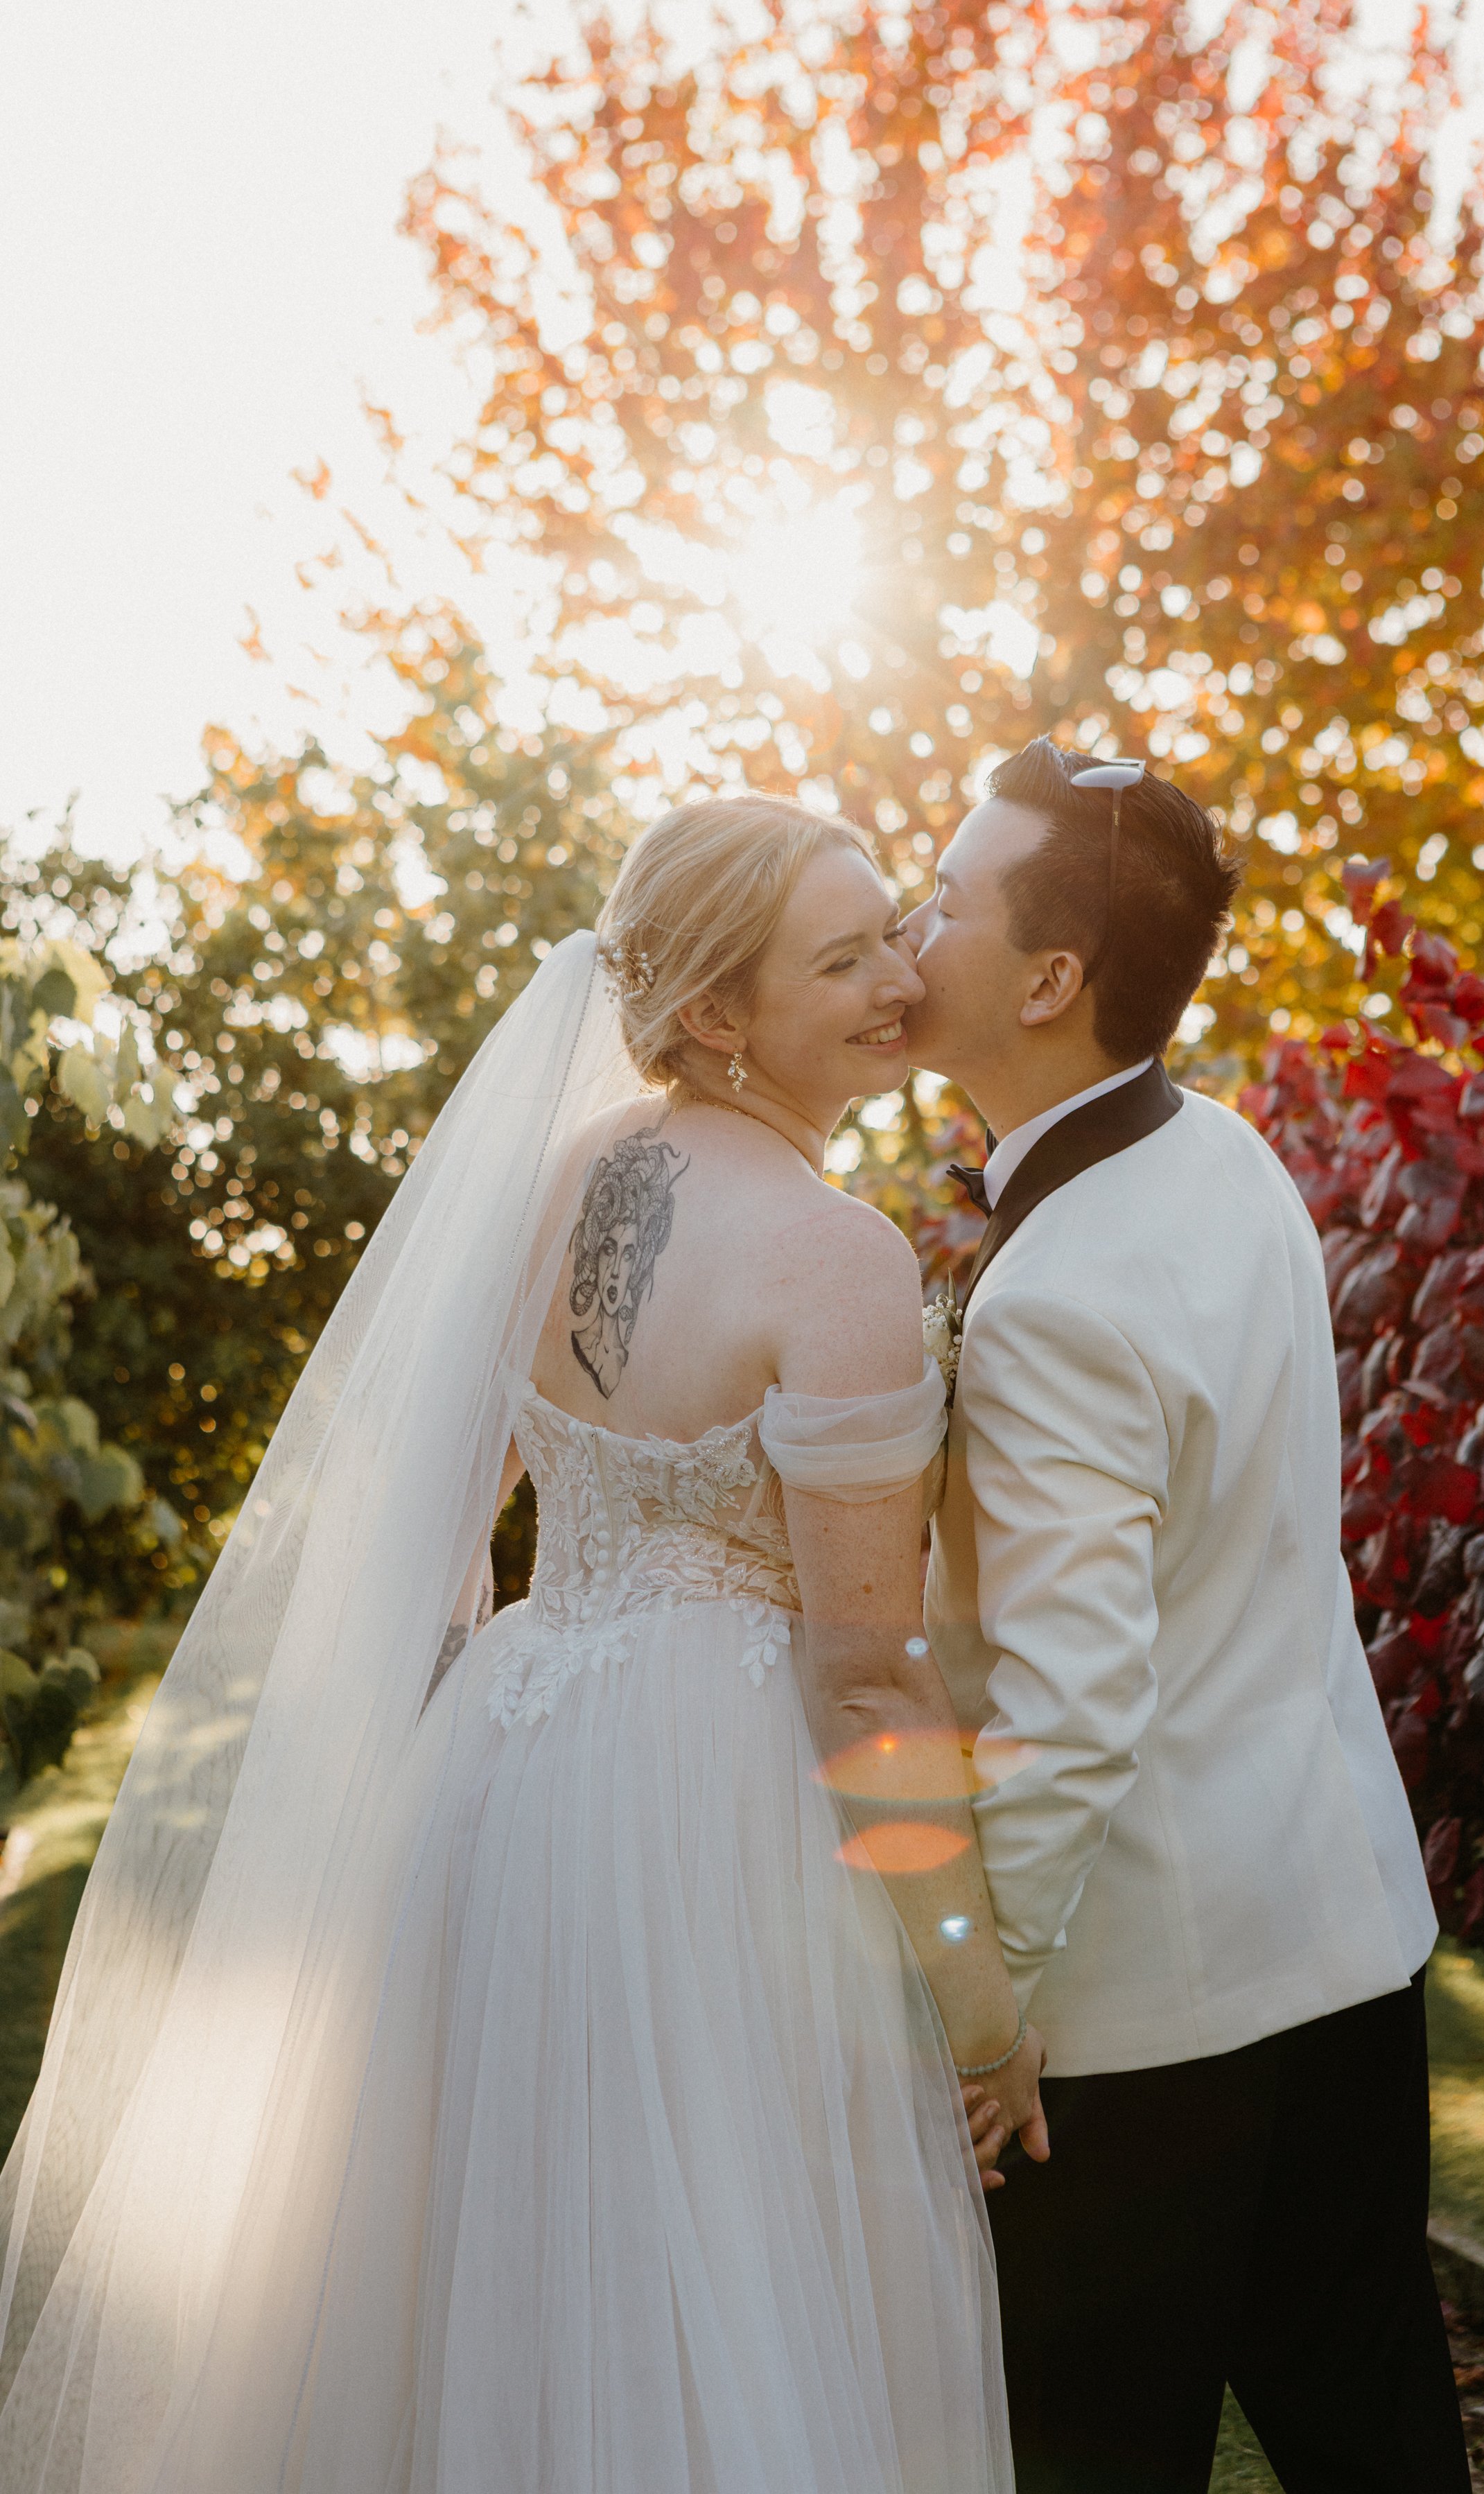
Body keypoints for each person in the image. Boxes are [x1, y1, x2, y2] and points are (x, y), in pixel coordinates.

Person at [0, 797, 1031, 2492]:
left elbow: (444, 1520)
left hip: (509, 1763)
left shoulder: (556, 1179)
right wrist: (977, 2003)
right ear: (715, 1013)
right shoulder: (837, 1257)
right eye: (844, 957)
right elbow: (867, 1674)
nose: (903, 976)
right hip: (719, 1812)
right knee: (712, 2255)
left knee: (502, 2252)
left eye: (893, 934)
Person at [902, 738, 1471, 2494]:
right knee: (1379, 2435)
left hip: (1149, 2032)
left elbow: (1072, 1713)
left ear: (1053, 978)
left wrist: (983, 2010)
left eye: (943, 899)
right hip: (1343, 1942)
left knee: (1089, 2461)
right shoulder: (1223, 1153)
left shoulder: (1055, 1297)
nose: (911, 929)